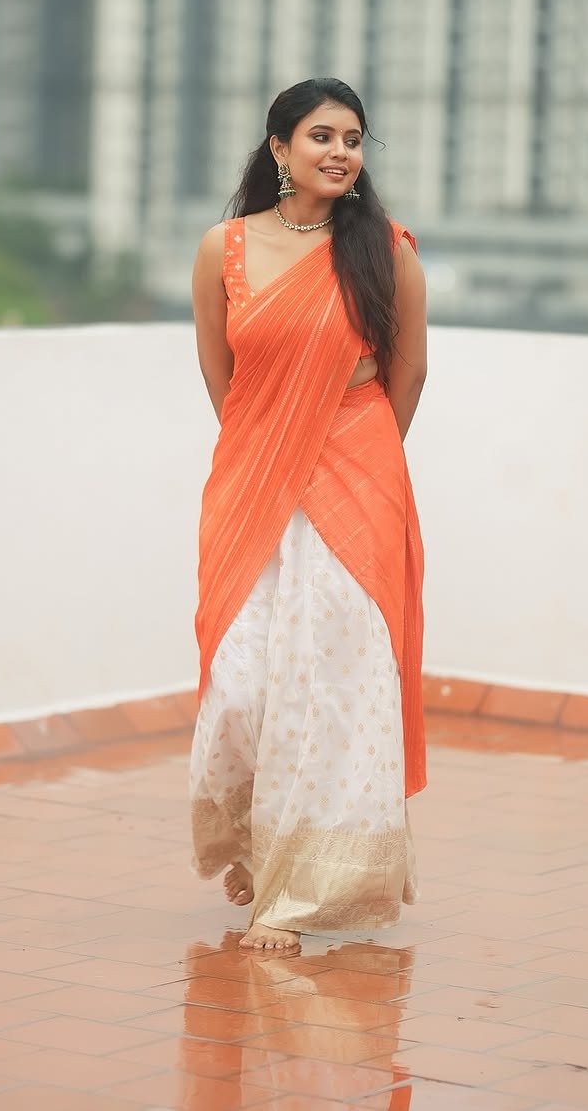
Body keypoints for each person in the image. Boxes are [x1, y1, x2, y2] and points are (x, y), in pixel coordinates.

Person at [189, 77, 428, 953]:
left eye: (353, 139)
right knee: (242, 684)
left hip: (357, 476)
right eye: (323, 135)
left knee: (330, 686)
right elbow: (219, 370)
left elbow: (409, 370)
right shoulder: (224, 247)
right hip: (253, 479)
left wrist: (357, 457)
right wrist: (270, 451)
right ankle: (257, 845)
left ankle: (292, 894)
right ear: (280, 147)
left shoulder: (385, 248)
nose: (340, 152)